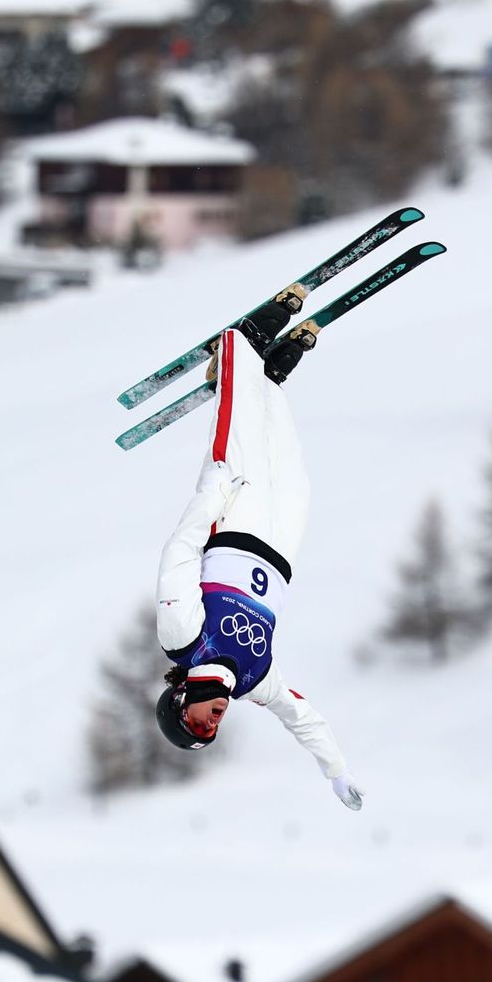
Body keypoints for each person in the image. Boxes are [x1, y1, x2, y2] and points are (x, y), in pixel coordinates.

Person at [153, 302, 366, 810]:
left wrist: (212, 493)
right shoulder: (256, 680)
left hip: (236, 523)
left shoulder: (183, 642)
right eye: (211, 733)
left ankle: (239, 344)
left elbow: (179, 553)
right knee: (286, 459)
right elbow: (303, 719)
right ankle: (268, 381)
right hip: (281, 544)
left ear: (181, 702)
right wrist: (337, 773)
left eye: (199, 725)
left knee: (241, 438)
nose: (213, 723)